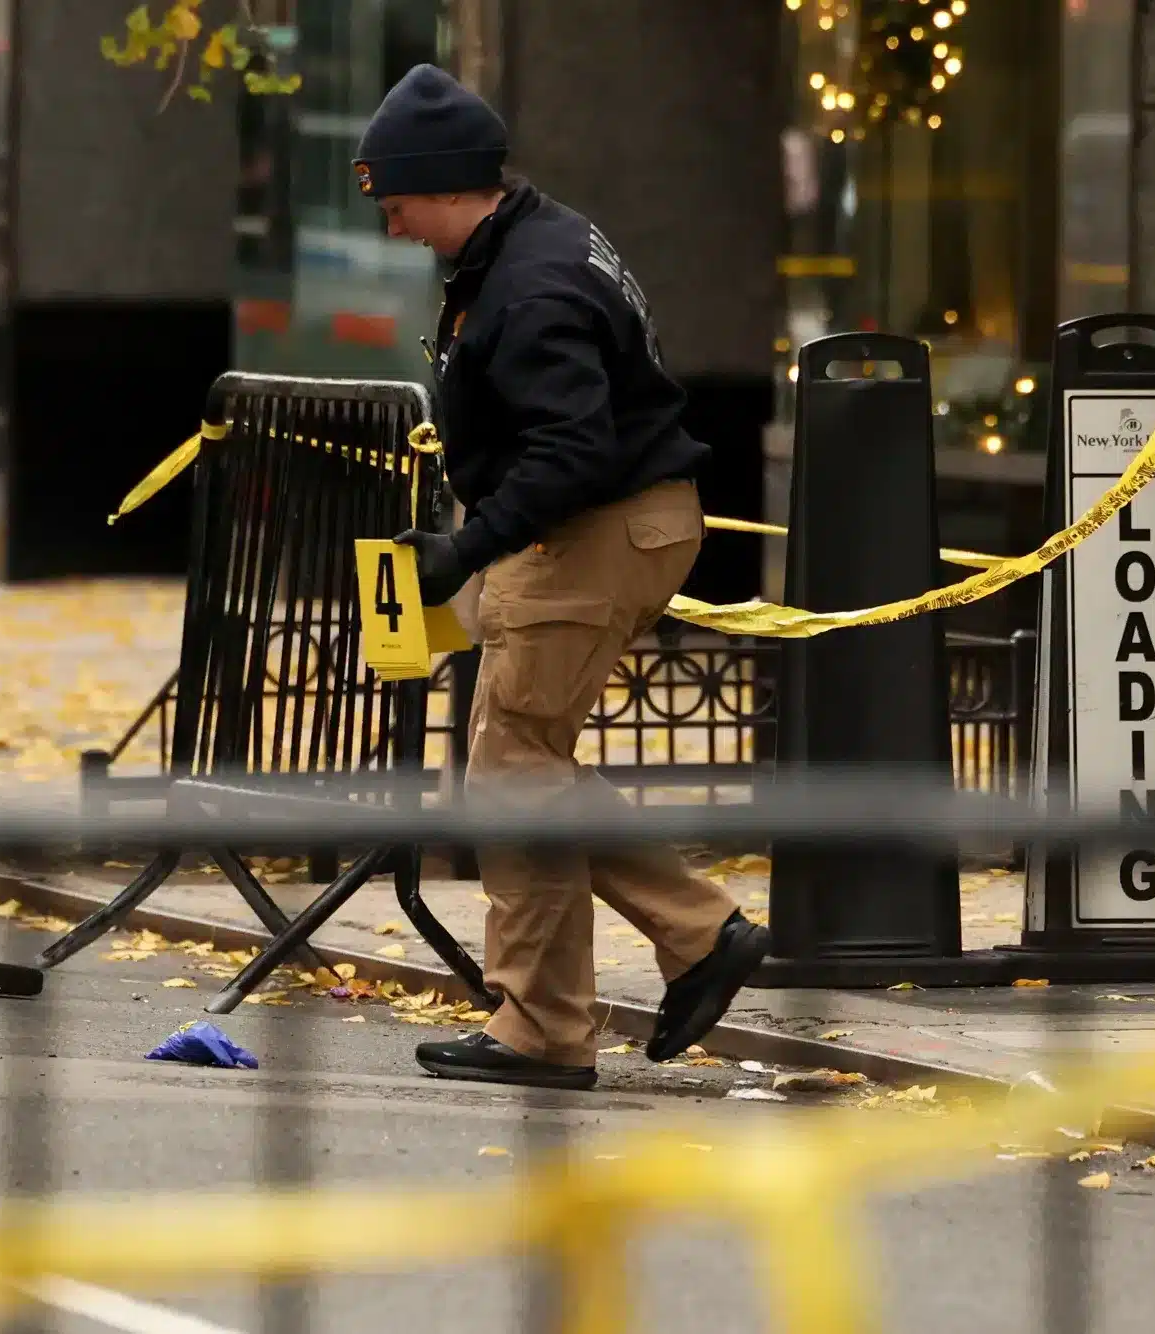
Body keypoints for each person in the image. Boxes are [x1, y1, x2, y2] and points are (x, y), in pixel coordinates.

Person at [356, 64, 770, 1091]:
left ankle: (577, 1002)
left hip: (591, 527)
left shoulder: (532, 282)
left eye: (396, 203)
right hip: (596, 525)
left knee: (511, 766)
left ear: (444, 181)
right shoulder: (533, 239)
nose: (392, 227)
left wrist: (473, 540)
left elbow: (572, 449)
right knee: (519, 760)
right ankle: (601, 984)